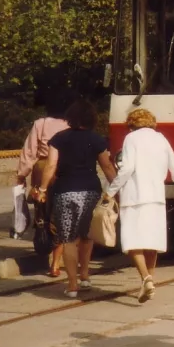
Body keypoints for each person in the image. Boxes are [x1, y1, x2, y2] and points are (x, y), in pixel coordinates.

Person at [104, 108, 174, 303]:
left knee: (133, 241)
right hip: (156, 198)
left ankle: (146, 278)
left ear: (131, 124)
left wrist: (111, 191)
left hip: (134, 197)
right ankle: (149, 281)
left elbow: (127, 168)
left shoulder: (131, 139)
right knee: (152, 242)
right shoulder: (161, 138)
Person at [37, 100, 115, 298]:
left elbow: (51, 166)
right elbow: (107, 167)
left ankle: (72, 285)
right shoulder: (97, 140)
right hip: (90, 191)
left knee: (69, 239)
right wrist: (117, 189)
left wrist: (43, 188)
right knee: (87, 237)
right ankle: (85, 276)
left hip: (65, 192)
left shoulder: (58, 139)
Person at [17, 89, 73, 277]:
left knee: (42, 211)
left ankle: (43, 246)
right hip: (64, 168)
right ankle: (56, 264)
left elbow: (29, 152)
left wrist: (21, 175)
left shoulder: (40, 124)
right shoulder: (72, 125)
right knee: (61, 214)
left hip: (42, 168)